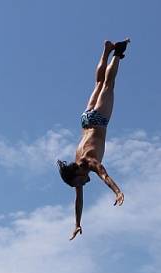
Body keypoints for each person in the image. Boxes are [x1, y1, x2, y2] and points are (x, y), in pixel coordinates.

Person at [57, 39, 129, 240]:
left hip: (99, 120)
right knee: (98, 83)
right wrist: (77, 223)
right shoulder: (78, 162)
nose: (84, 184)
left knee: (108, 84)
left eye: (81, 182)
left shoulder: (89, 161)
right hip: (85, 119)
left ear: (78, 174)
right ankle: (106, 51)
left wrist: (118, 192)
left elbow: (105, 176)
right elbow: (78, 201)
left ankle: (117, 54)